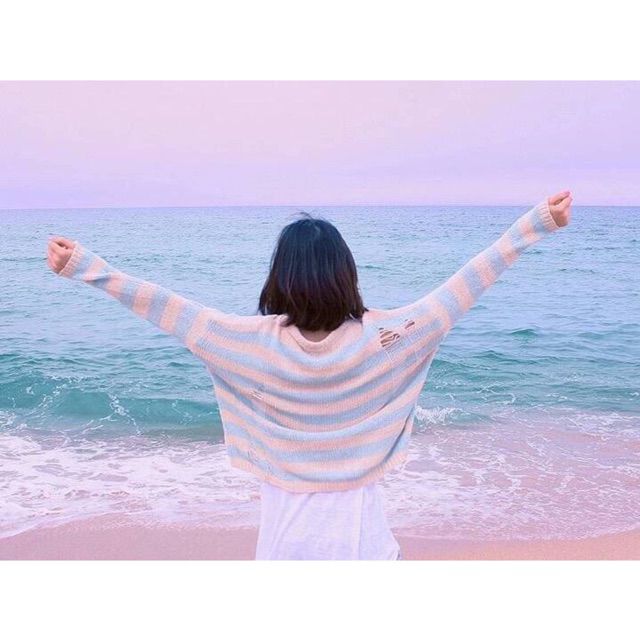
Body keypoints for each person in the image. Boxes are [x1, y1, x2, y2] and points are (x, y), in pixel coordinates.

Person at [47, 191, 572, 560]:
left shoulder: (247, 342)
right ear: (347, 274)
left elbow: (163, 306)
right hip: (367, 554)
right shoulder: (386, 339)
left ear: (280, 277)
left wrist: (84, 266)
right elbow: (465, 286)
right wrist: (536, 224)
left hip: (284, 555)